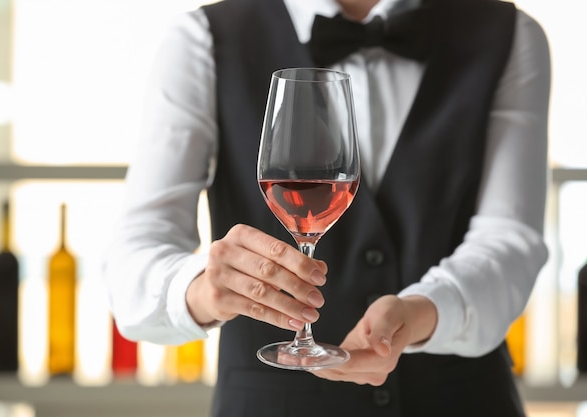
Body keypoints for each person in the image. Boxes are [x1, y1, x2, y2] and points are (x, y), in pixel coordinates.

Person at [103, 0, 551, 415]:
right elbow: (134, 264)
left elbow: (509, 240)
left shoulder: (510, 34)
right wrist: (204, 289)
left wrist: (419, 314)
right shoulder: (202, 37)